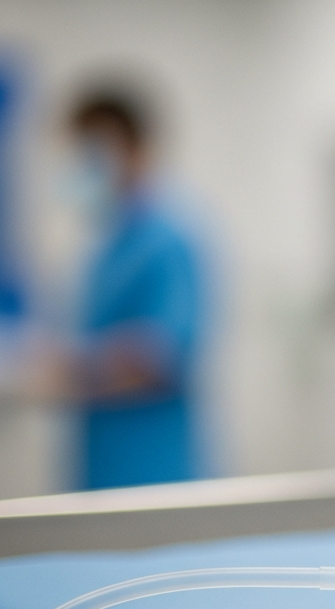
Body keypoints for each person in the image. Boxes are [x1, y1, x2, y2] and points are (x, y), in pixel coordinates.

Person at [59, 87, 205, 489]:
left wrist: (65, 368)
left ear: (136, 148)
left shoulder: (168, 239)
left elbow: (161, 356)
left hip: (155, 473)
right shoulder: (105, 247)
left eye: (95, 149)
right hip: (100, 471)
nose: (84, 165)